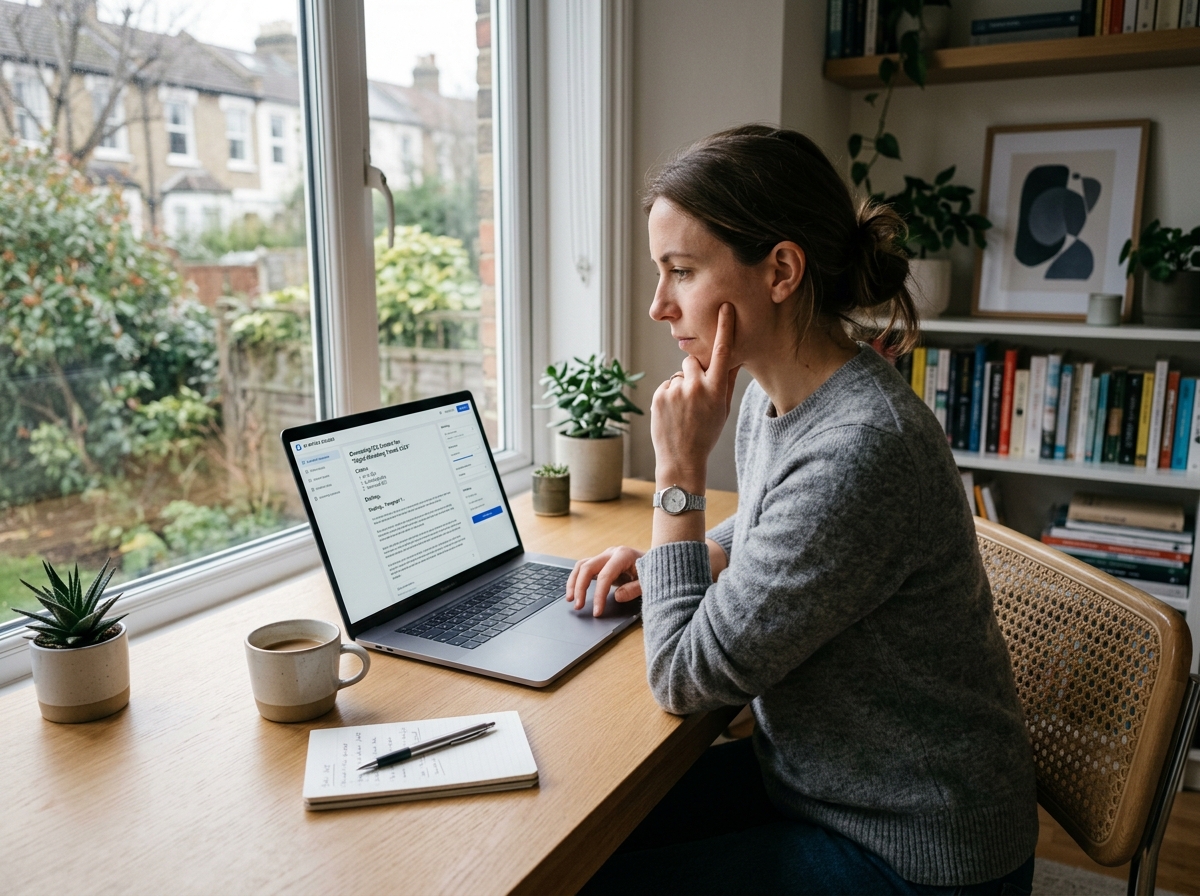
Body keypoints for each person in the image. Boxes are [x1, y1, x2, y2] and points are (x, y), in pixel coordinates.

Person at [567, 125, 1039, 895]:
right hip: (822, 784)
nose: (658, 305)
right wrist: (673, 561)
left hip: (913, 848)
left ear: (781, 269)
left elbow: (684, 678)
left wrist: (678, 475)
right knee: (585, 834)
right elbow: (770, 519)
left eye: (681, 271)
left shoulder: (863, 448)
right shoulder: (774, 399)